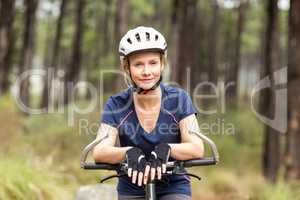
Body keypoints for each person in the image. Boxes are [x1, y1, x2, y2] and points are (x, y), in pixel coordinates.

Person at [92, 26, 204, 200]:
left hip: (173, 186)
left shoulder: (179, 99)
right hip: (131, 187)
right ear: (127, 68)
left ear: (162, 64)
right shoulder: (116, 104)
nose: (146, 72)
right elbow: (99, 151)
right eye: (138, 64)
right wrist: (128, 152)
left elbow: (196, 147)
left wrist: (167, 149)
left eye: (153, 63)